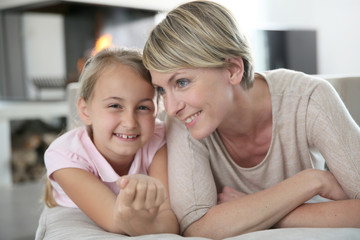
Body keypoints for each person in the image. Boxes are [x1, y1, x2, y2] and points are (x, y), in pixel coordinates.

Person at [142, 1, 360, 239]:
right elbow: (197, 224)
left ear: (233, 69)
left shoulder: (308, 98)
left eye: (182, 82)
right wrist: (312, 181)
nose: (171, 108)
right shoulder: (185, 120)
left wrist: (253, 211)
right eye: (161, 90)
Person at [42, 47, 179, 236]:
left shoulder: (157, 138)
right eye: (115, 105)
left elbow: (168, 219)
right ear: (85, 110)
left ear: (157, 109)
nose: (130, 123)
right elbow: (115, 221)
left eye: (143, 107)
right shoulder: (65, 155)